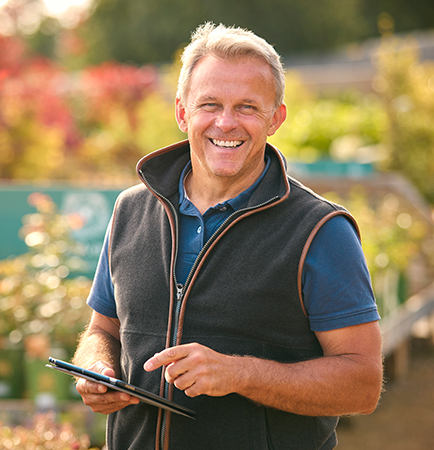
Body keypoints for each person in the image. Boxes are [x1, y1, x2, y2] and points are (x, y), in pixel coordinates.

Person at [72, 22, 383, 450]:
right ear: (182, 112)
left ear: (276, 118)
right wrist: (96, 369)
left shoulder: (320, 230)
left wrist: (240, 374)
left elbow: (362, 385)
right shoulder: (131, 209)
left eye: (247, 108)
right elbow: (101, 329)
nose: (226, 122)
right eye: (210, 104)